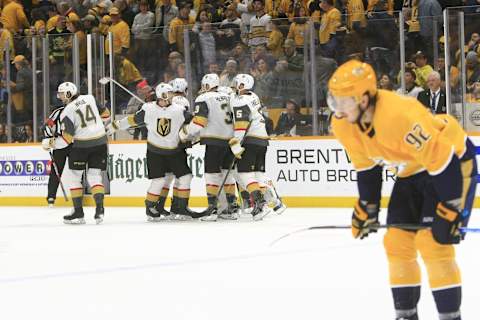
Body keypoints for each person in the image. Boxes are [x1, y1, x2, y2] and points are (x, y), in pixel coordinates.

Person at [328, 59, 477, 320]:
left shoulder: (399, 115)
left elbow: (442, 161)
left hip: (451, 160)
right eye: (335, 101)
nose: (337, 109)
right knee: (396, 242)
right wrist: (368, 206)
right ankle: (406, 315)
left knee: (434, 243)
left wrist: (452, 206)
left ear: (364, 100)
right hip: (412, 168)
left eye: (344, 101)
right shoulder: (343, 124)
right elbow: (367, 169)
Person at [107, 83, 198, 221]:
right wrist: (116, 125)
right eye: (170, 93)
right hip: (155, 152)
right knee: (159, 181)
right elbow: (132, 120)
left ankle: (182, 207)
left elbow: (195, 121)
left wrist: (194, 131)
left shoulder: (178, 110)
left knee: (185, 177)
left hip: (174, 152)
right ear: (165, 95)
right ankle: (150, 207)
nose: (172, 96)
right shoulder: (149, 109)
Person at [179, 73, 238, 221]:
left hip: (214, 141)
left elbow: (200, 122)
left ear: (206, 84)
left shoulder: (204, 98)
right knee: (227, 174)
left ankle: (212, 209)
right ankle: (231, 209)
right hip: (231, 140)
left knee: (211, 175)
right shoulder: (228, 96)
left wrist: (185, 132)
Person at [59, 82, 111, 224]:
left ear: (69, 94)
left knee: (74, 177)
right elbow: (107, 115)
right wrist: (94, 127)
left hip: (81, 146)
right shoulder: (90, 98)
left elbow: (68, 138)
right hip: (100, 142)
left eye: (62, 94)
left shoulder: (66, 111)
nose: (61, 97)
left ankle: (78, 212)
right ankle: (99, 210)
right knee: (94, 177)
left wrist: (51, 143)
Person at [229, 73, 272, 220]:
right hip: (263, 140)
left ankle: (259, 203)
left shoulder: (240, 100)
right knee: (259, 175)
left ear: (242, 85)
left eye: (237, 83)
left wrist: (236, 144)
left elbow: (241, 125)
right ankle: (266, 204)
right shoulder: (253, 96)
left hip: (251, 140)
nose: (235, 86)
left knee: (245, 173)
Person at [42, 103, 71, 207]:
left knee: (77, 170)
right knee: (55, 172)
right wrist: (48, 138)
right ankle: (51, 197)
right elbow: (46, 125)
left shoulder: (75, 110)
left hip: (75, 144)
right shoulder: (57, 112)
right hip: (59, 145)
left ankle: (78, 196)